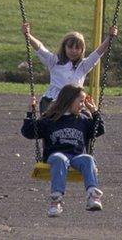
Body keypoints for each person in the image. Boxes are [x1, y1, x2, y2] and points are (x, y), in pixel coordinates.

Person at [21, 84, 105, 217]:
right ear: (70, 100)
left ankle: (92, 196)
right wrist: (30, 111)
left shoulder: (83, 119)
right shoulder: (50, 119)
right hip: (56, 156)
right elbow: (29, 132)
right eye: (81, 101)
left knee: (88, 159)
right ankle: (56, 201)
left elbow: (99, 130)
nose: (83, 105)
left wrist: (94, 111)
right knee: (60, 159)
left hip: (77, 157)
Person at [22, 22, 118, 113]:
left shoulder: (83, 66)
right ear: (64, 47)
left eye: (77, 48)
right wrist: (28, 35)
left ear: (82, 50)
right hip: (52, 101)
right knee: (50, 126)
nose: (73, 51)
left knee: (85, 118)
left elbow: (98, 53)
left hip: (73, 103)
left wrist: (110, 38)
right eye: (70, 47)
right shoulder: (54, 61)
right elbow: (39, 47)